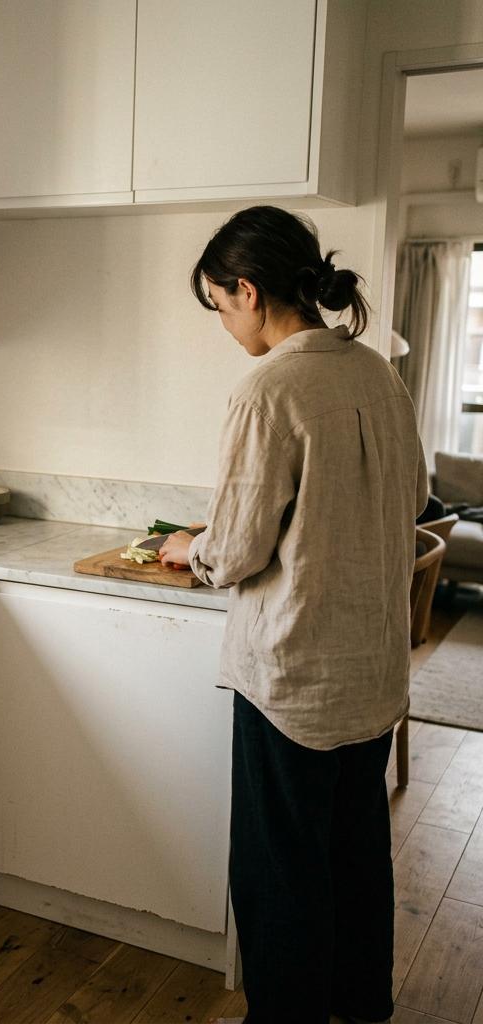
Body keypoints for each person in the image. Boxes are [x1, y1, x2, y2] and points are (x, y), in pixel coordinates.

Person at [158, 206, 428, 1024]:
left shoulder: (269, 387)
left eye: (220, 306)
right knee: (355, 853)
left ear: (248, 290)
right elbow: (414, 496)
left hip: (292, 678)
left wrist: (192, 548)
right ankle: (361, 1005)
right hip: (371, 673)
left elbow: (237, 550)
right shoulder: (378, 373)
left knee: (280, 871)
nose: (225, 325)